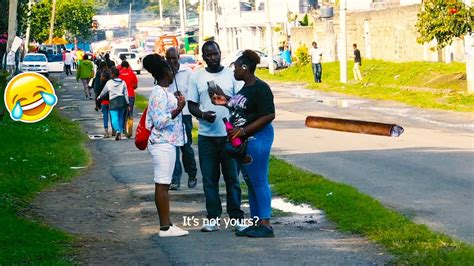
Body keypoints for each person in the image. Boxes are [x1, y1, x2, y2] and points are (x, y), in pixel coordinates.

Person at [210, 50, 276, 238]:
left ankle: (265, 224)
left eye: (236, 67)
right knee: (250, 182)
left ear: (245, 68)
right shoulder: (245, 88)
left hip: (258, 139)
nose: (234, 70)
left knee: (259, 180)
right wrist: (225, 101)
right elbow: (242, 108)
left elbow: (269, 115)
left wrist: (243, 131)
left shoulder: (260, 87)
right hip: (244, 141)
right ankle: (256, 223)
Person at [187, 41, 246, 232]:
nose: (212, 58)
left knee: (232, 180)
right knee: (209, 180)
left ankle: (236, 218)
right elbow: (191, 104)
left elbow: (241, 102)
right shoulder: (196, 77)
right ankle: (212, 218)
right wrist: (203, 115)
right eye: (208, 55)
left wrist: (227, 103)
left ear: (221, 53)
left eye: (215, 54)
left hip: (229, 136)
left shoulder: (232, 76)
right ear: (203, 57)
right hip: (207, 137)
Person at [142, 53, 189, 237]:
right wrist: (178, 108)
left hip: (167, 143)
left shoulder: (163, 92)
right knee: (162, 184)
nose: (172, 75)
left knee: (165, 184)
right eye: (170, 71)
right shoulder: (157, 93)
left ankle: (168, 223)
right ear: (165, 72)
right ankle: (164, 227)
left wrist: (176, 102)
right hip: (162, 143)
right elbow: (160, 120)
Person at [165, 47, 198, 190]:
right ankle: (175, 179)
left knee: (186, 147)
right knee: (173, 149)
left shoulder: (187, 72)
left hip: (184, 115)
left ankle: (192, 174)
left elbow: (193, 93)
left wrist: (183, 96)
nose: (172, 61)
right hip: (170, 115)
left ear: (179, 57)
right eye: (169, 59)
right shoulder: (164, 73)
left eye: (174, 58)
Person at [97, 67, 129, 140]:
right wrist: (127, 103)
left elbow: (104, 92)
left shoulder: (109, 82)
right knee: (120, 118)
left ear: (112, 74)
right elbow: (126, 93)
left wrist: (99, 97)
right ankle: (119, 133)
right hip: (122, 101)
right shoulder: (123, 82)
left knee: (114, 117)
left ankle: (117, 130)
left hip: (113, 101)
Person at [95, 62, 113, 137]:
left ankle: (106, 132)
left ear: (104, 77)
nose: (100, 77)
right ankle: (114, 130)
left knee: (105, 116)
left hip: (104, 102)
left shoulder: (102, 84)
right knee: (112, 116)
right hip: (112, 102)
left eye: (101, 76)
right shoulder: (112, 83)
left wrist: (97, 104)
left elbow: (98, 94)